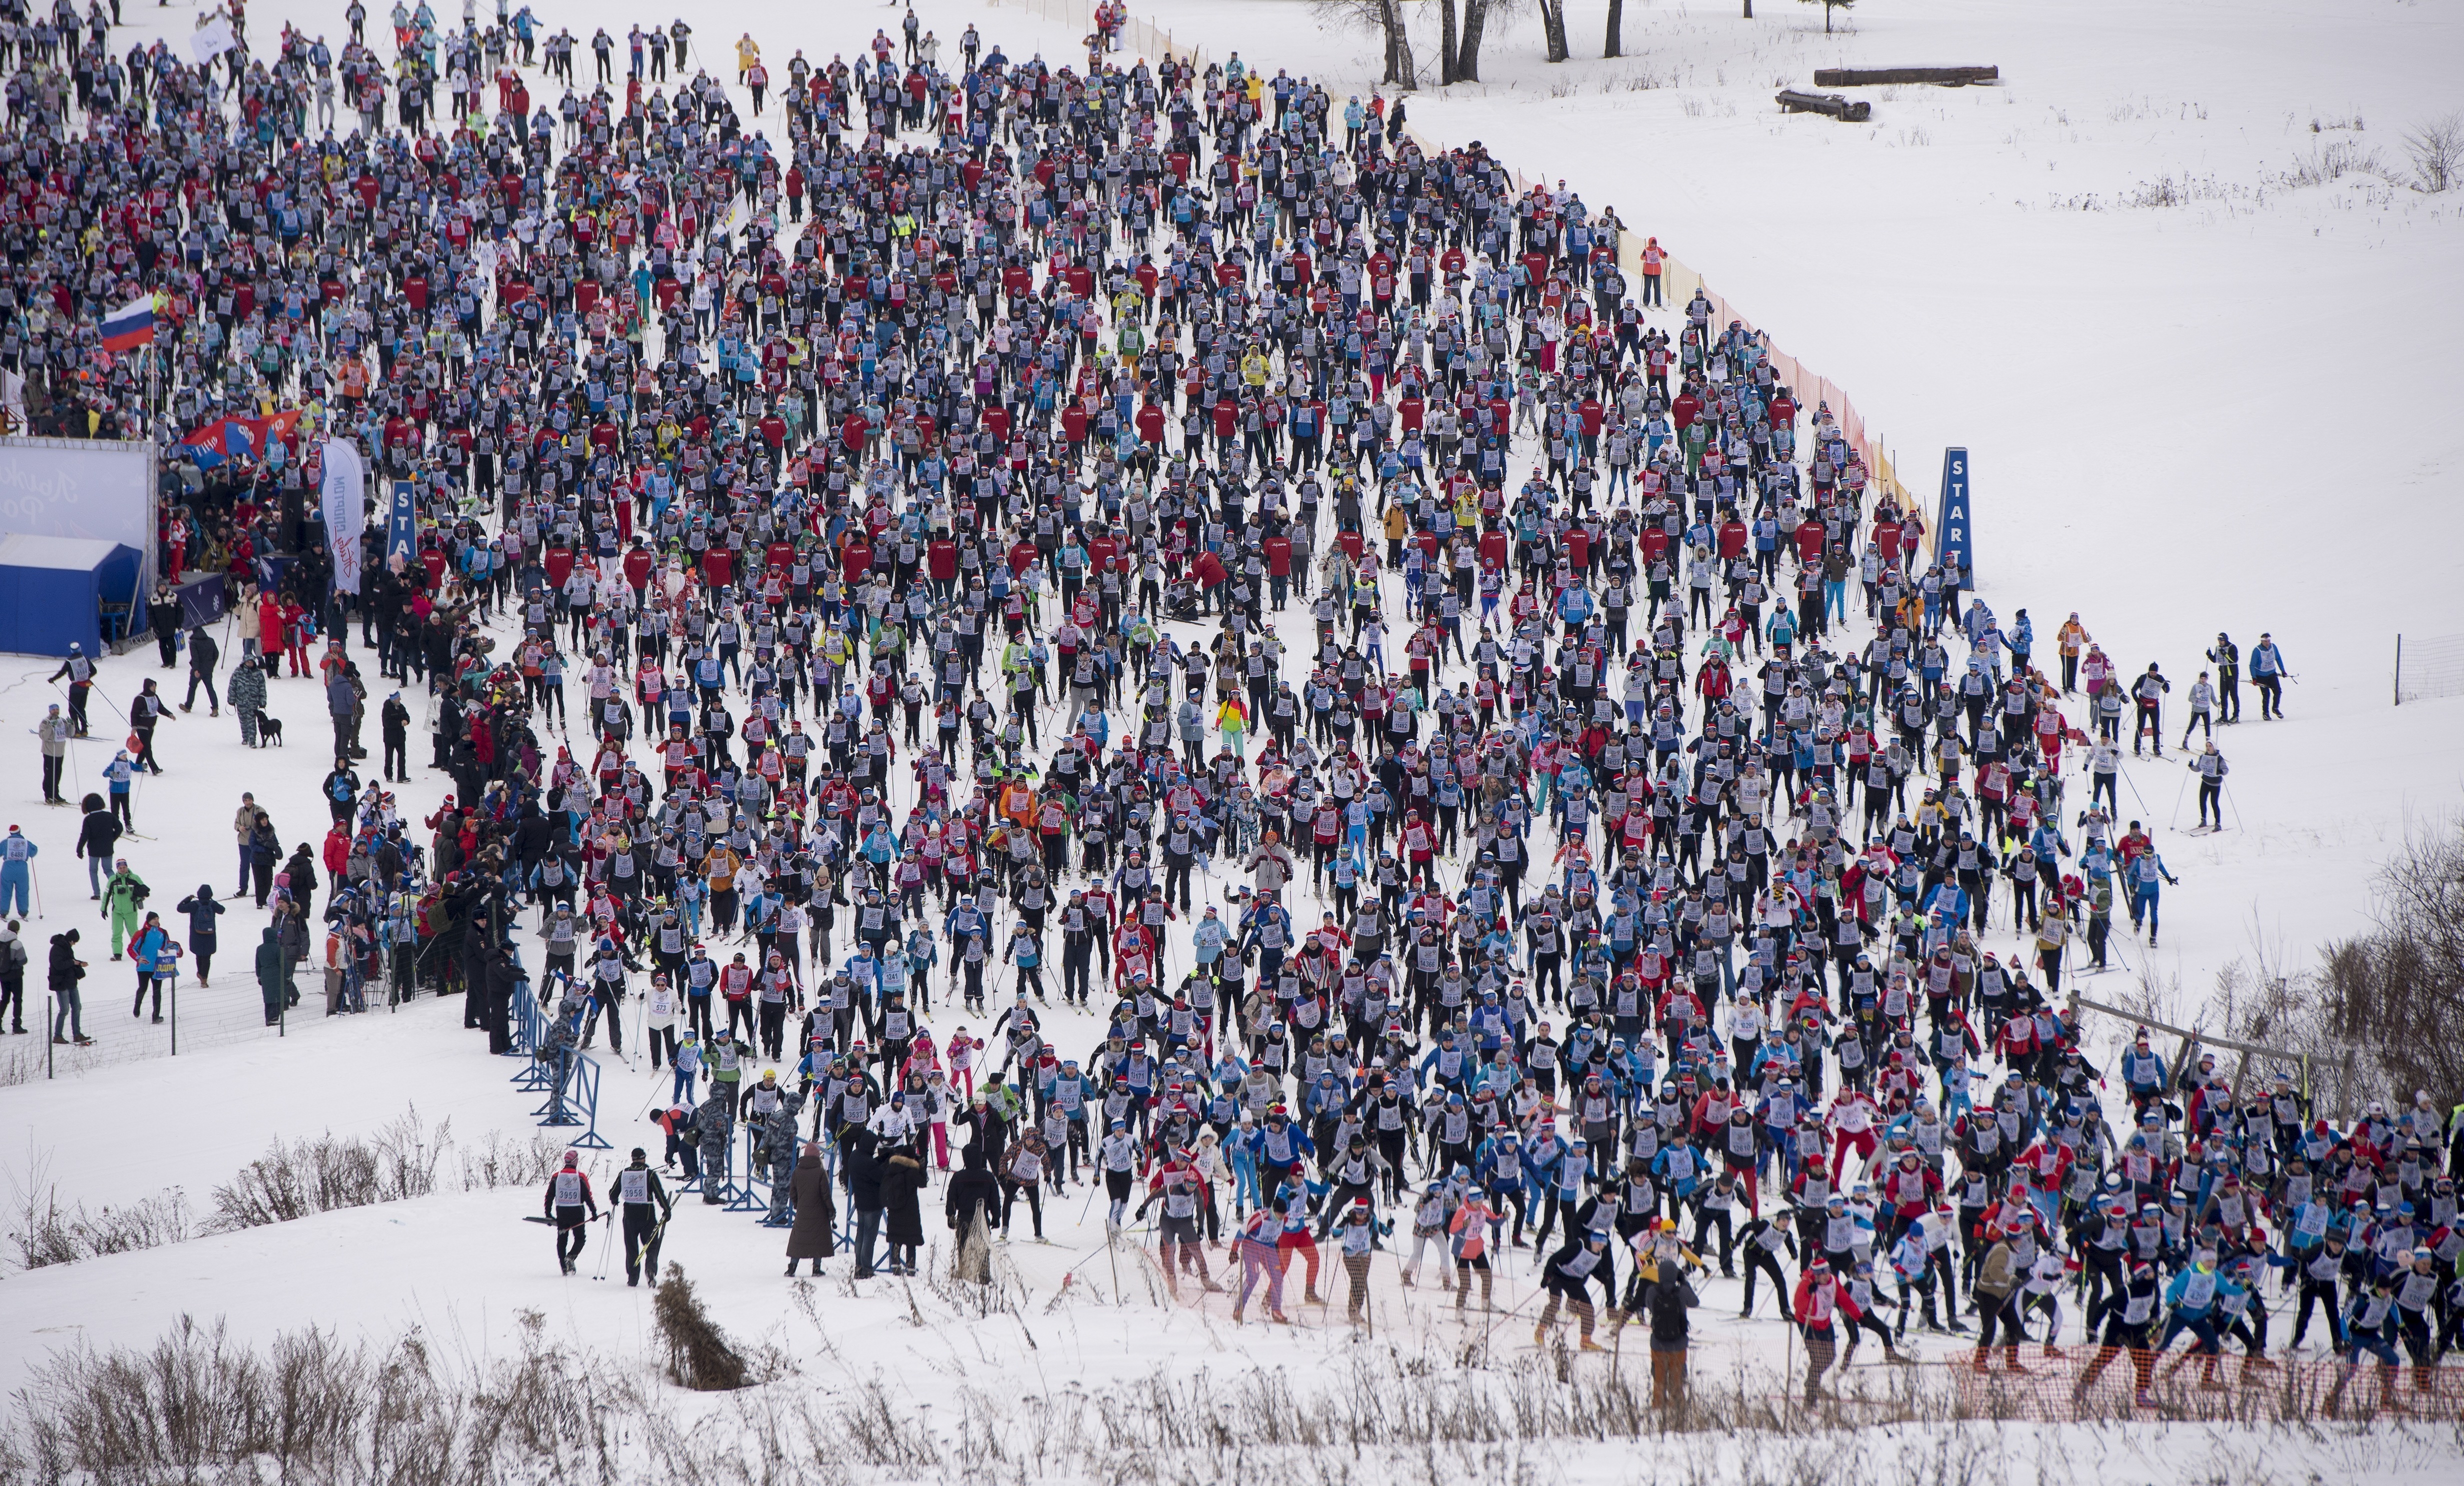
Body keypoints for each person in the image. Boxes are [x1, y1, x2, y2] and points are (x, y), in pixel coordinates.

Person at [616, 1146, 674, 1288]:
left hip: (629, 1216)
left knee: (632, 1248)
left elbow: (613, 1192)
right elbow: (659, 1194)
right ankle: (650, 1270)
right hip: (647, 1216)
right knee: (652, 1245)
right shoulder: (650, 1174)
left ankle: (633, 1278)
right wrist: (667, 1211)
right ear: (643, 1158)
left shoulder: (624, 1174)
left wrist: (614, 1200)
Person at [542, 1150, 600, 1275]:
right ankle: (571, 1257)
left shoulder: (556, 1177)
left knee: (562, 1239)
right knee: (580, 1238)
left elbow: (549, 1196)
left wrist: (548, 1214)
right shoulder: (580, 1177)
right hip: (577, 1212)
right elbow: (587, 1196)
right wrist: (594, 1212)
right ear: (575, 1161)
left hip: (562, 1212)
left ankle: (564, 1268)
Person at [786, 1140, 836, 1276]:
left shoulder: (797, 1171)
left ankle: (792, 1267)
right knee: (818, 1240)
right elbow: (826, 1194)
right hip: (819, 1212)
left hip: (802, 1211)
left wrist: (798, 1205)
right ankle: (816, 1268)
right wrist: (831, 1210)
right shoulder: (820, 1172)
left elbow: (792, 1193)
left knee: (798, 1240)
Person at [47, 926, 88, 1045]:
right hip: (61, 984)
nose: (74, 944)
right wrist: (73, 962)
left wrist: (79, 963)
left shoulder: (67, 948)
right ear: (70, 940)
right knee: (64, 1010)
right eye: (74, 942)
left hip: (71, 982)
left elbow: (71, 961)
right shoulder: (57, 949)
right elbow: (59, 965)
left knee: (77, 1007)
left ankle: (77, 1034)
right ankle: (58, 1036)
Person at [183, 624, 222, 716]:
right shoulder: (211, 641)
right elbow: (216, 654)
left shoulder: (193, 643)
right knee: (210, 688)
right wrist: (211, 665)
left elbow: (195, 657)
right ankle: (215, 708)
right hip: (208, 670)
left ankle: (188, 706)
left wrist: (196, 669)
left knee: (192, 687)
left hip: (198, 670)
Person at [0, 826, 36, 920]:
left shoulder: (6, 843)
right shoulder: (26, 843)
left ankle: (3, 912)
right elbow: (34, 851)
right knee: (23, 891)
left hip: (8, 869)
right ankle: (23, 912)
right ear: (19, 832)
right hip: (22, 870)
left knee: (5, 891)